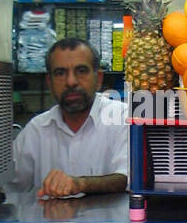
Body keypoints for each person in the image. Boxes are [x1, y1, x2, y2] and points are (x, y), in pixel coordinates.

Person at [11, 38, 129, 199]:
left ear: (99, 79)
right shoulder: (36, 130)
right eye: (60, 73)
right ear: (49, 82)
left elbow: (127, 178)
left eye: (81, 71)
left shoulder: (122, 118)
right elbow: (10, 188)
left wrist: (80, 184)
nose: (71, 81)